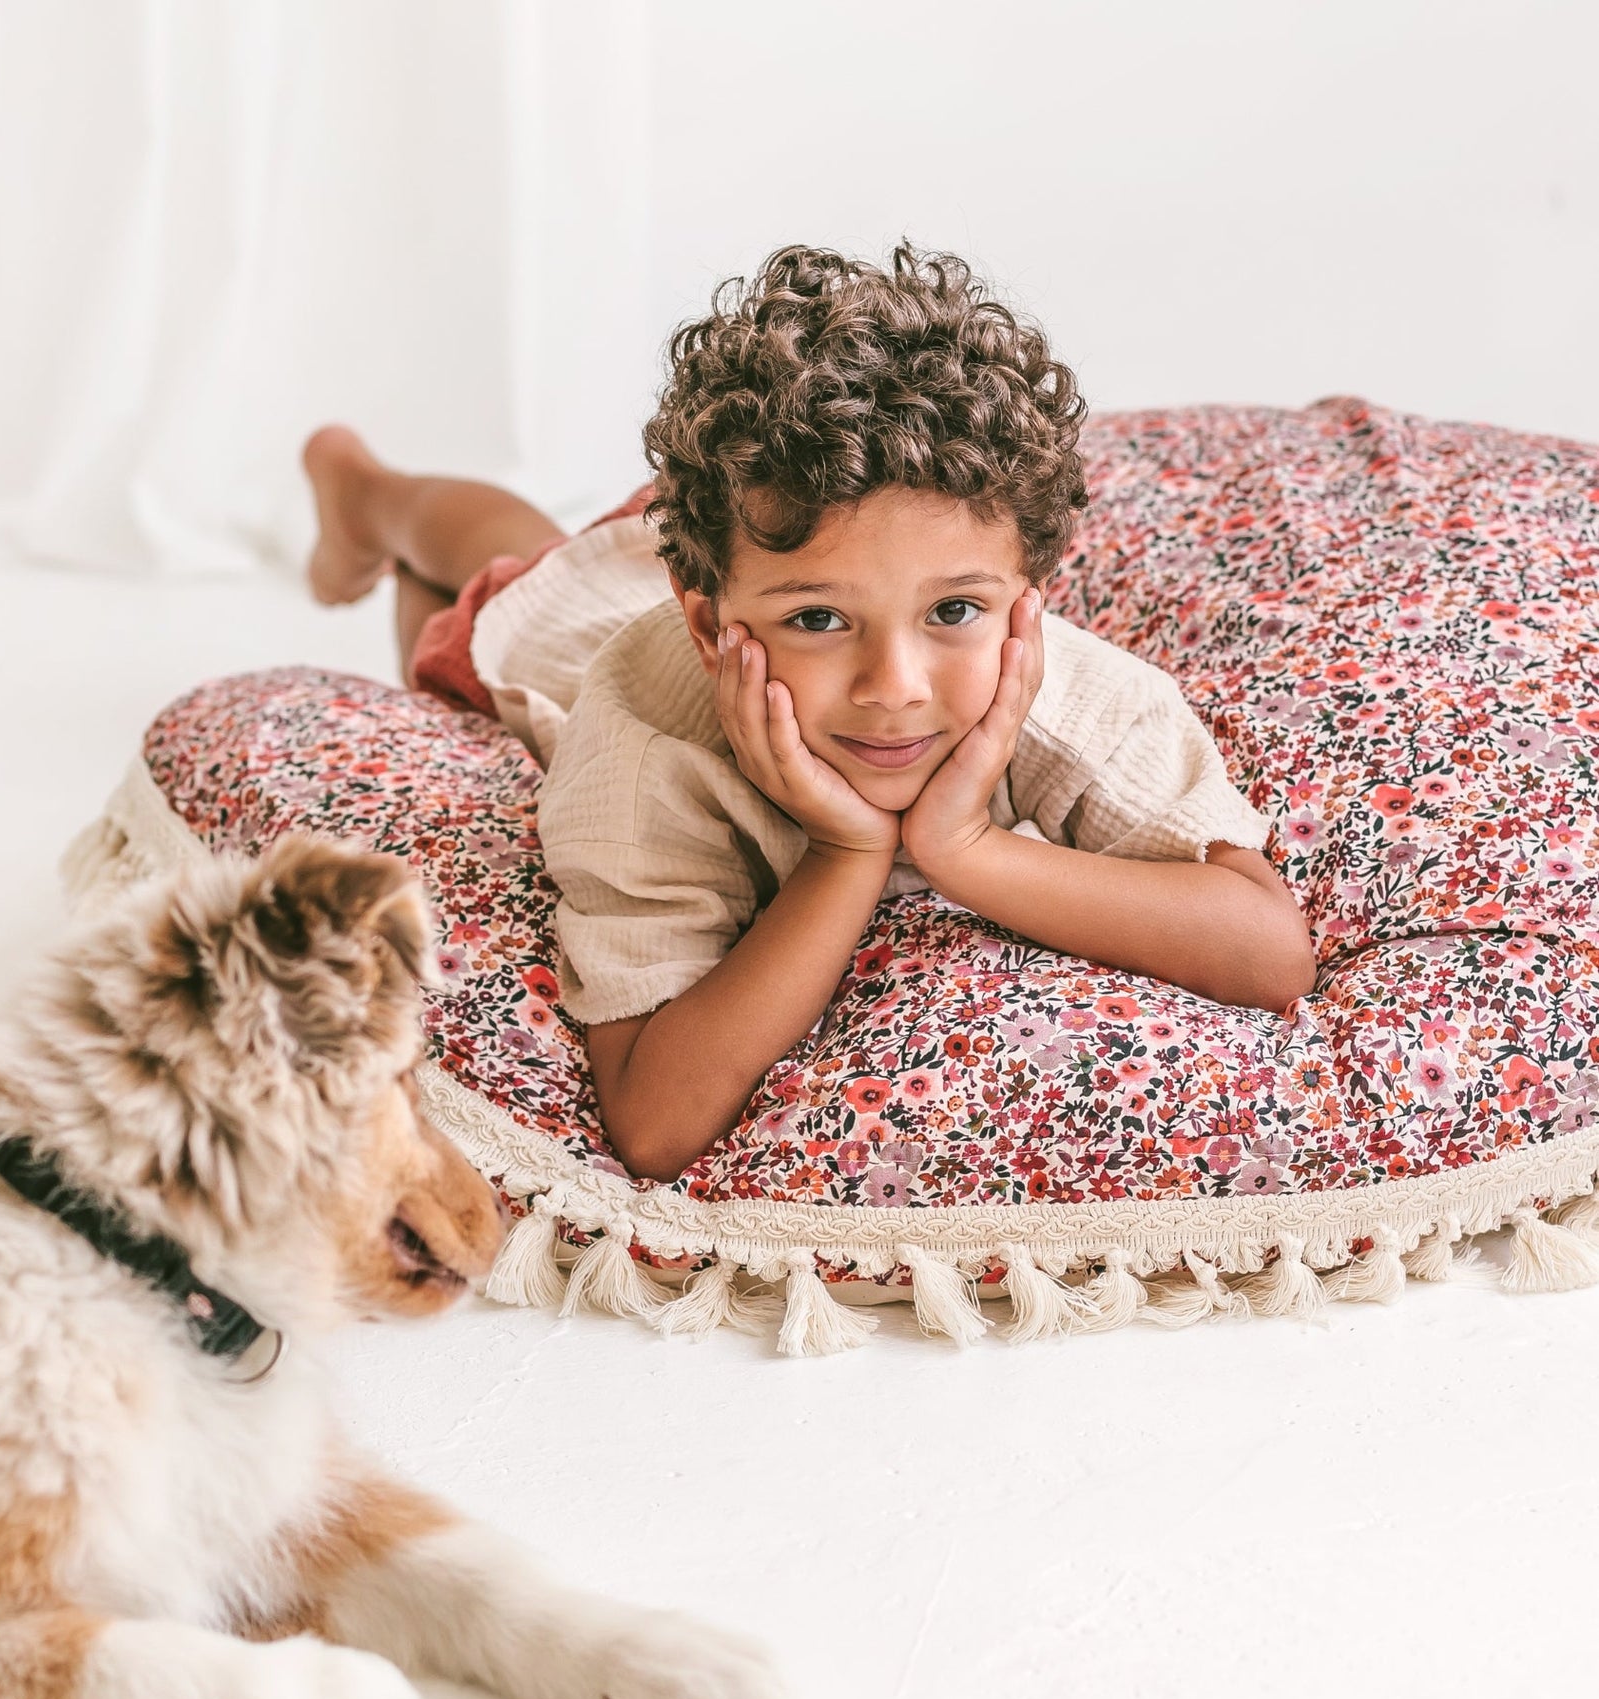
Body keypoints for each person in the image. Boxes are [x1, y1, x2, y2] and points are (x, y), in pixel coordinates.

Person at [302, 244, 1316, 1181]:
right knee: (498, 583)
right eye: (822, 621)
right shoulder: (644, 751)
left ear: (1025, 599)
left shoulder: (1067, 699)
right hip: (577, 631)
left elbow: (1270, 953)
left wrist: (967, 851)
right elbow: (653, 1124)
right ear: (710, 627)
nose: (895, 686)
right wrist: (845, 854)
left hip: (742, 563)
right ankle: (367, 494)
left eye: (953, 611)